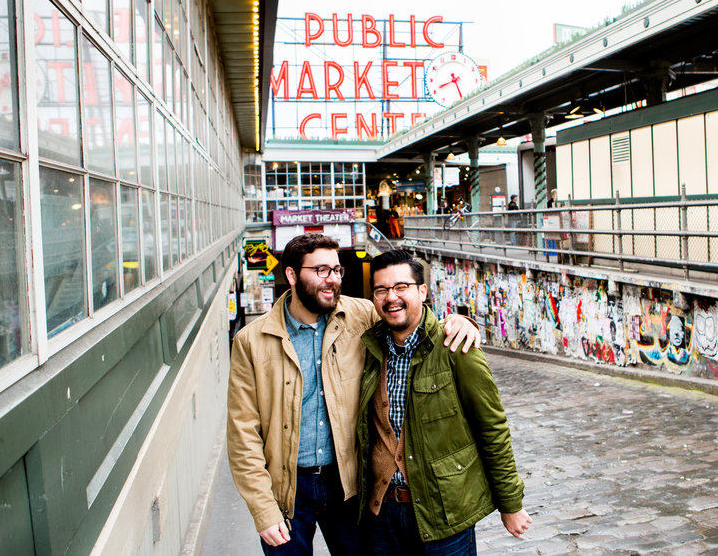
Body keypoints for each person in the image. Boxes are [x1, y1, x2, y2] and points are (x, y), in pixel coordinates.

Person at [227, 233, 481, 555]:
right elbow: (242, 434)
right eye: (320, 270)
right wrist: (262, 508)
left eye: (336, 270)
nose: (332, 280)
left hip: (349, 484)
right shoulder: (251, 341)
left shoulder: (361, 315)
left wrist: (458, 322)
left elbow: (413, 322)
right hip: (287, 490)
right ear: (291, 275)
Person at [356, 249, 532, 554]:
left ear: (422, 291)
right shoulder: (370, 350)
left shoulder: (456, 347)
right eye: (381, 289)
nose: (391, 297)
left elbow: (492, 428)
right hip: (382, 513)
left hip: (443, 513)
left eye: (401, 287)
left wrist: (510, 504)